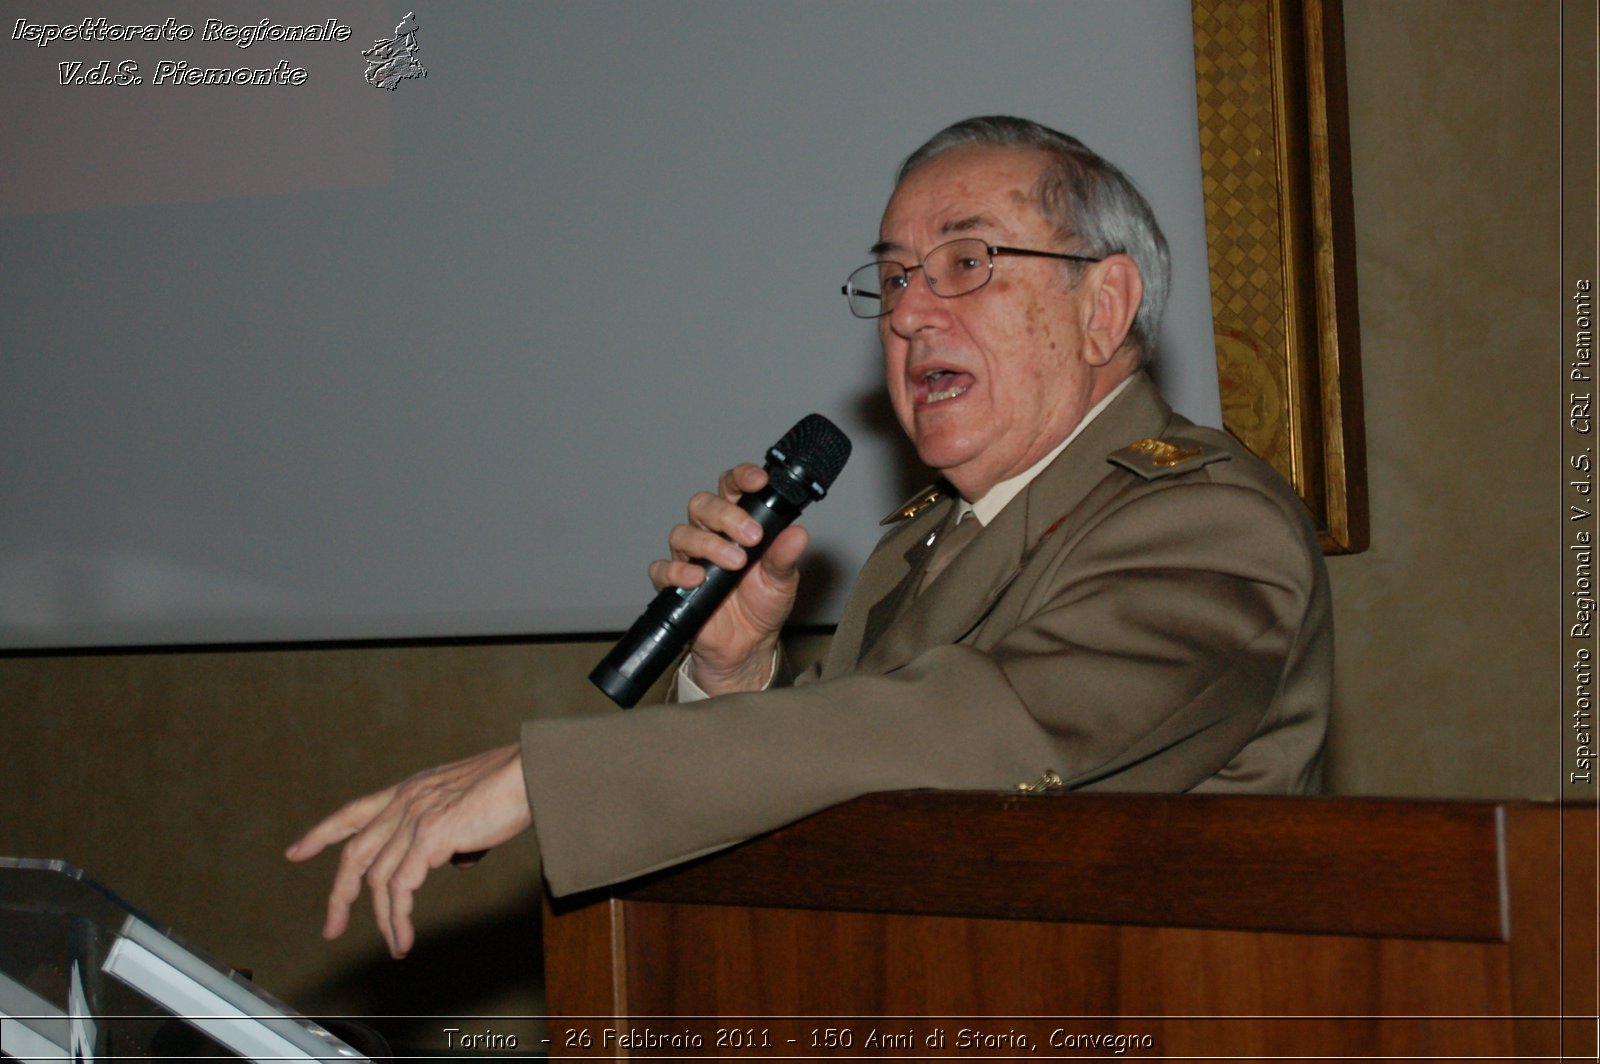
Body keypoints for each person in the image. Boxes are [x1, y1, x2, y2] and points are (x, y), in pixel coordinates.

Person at [287, 116, 1332, 960]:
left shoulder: (1208, 520)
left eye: (966, 262)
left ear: (1104, 305)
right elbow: (856, 799)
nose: (912, 311)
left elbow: (992, 728)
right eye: (895, 277)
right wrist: (733, 675)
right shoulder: (925, 542)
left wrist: (546, 775)